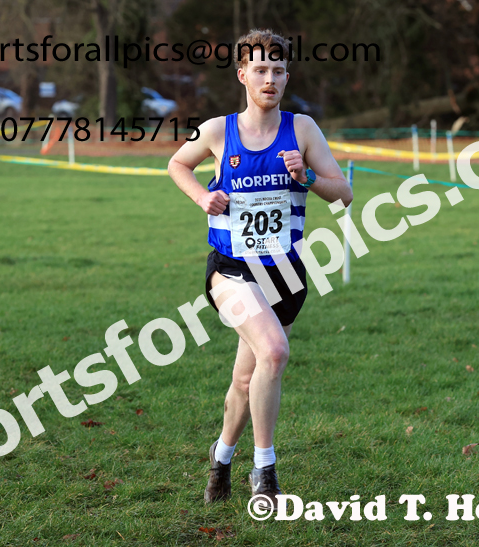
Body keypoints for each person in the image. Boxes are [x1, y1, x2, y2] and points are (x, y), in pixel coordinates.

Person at [167, 29, 352, 510]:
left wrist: (307, 177)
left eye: (277, 71)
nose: (269, 79)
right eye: (260, 70)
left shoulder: (303, 130)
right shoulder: (215, 130)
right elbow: (176, 164)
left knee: (247, 380)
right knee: (273, 351)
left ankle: (221, 458)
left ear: (287, 77)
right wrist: (203, 197)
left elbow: (344, 192)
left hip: (286, 277)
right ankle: (264, 470)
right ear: (243, 74)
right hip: (229, 272)